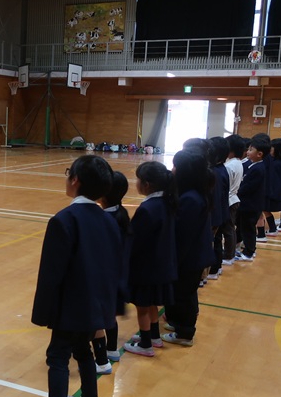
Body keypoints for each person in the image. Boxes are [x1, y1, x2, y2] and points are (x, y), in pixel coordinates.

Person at [26, 155, 121, 397]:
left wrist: (44, 312)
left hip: (70, 305)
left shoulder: (64, 219)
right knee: (83, 350)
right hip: (96, 303)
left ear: (75, 180)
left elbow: (51, 272)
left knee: (57, 355)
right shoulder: (108, 220)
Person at [123, 162, 178, 357]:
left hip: (146, 267)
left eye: (138, 179)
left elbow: (136, 240)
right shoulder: (167, 202)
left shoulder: (148, 208)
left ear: (146, 184)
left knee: (142, 306)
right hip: (160, 264)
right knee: (152, 302)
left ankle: (145, 343)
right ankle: (154, 336)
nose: (136, 183)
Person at [162, 151, 214, 346]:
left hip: (190, 257)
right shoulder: (193, 193)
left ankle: (185, 333)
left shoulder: (191, 199)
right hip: (191, 255)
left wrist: (174, 259)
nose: (173, 170)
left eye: (176, 166)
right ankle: (178, 324)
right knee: (181, 292)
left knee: (184, 294)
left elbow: (184, 235)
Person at [91, 171, 131, 374]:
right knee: (109, 315)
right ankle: (112, 349)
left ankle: (101, 361)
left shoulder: (104, 219)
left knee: (97, 319)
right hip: (117, 275)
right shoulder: (121, 213)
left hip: (104, 276)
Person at [235, 138, 270, 262]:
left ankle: (249, 252)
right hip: (249, 204)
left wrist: (237, 191)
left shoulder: (258, 169)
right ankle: (241, 248)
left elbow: (248, 187)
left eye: (251, 150)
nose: (248, 152)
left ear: (259, 154)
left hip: (251, 205)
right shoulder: (253, 165)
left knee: (248, 229)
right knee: (242, 227)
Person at [206, 137, 230, 281]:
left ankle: (213, 269)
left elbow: (214, 197)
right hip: (221, 212)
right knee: (217, 240)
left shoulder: (215, 172)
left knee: (213, 241)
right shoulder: (221, 169)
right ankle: (217, 266)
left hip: (215, 214)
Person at [222, 135, 245, 265]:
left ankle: (228, 256)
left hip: (229, 200)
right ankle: (230, 253)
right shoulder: (237, 163)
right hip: (233, 199)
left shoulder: (230, 166)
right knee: (230, 228)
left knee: (228, 229)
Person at [264, 138, 281, 237]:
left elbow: (272, 179)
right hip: (274, 189)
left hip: (273, 190)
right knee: (264, 209)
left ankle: (272, 228)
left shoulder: (277, 163)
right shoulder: (278, 161)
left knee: (265, 209)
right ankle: (271, 228)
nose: (270, 150)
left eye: (272, 148)